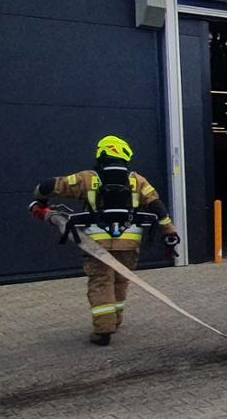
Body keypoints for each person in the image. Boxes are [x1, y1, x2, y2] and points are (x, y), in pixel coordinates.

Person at [29, 135, 181, 346]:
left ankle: (103, 331)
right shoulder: (138, 180)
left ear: (101, 154)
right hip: (129, 243)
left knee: (101, 282)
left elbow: (49, 186)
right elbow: (157, 207)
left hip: (96, 245)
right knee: (121, 281)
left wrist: (41, 199)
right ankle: (115, 320)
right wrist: (169, 231)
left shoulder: (87, 178)